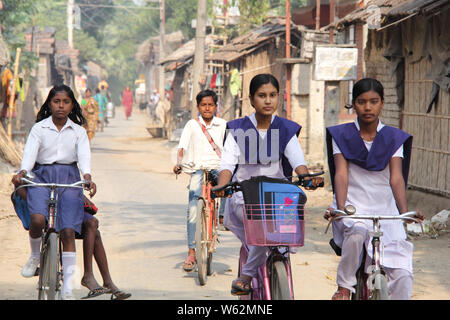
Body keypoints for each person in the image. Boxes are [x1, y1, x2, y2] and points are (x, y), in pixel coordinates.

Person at [213, 74, 323, 296]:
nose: (268, 101)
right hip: (245, 196)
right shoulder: (237, 128)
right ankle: (247, 275)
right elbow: (227, 165)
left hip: (278, 195)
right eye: (262, 96)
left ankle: (255, 276)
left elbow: (298, 162)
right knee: (263, 231)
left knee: (280, 223)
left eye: (272, 95)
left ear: (278, 98)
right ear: (251, 100)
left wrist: (307, 177)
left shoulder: (285, 129)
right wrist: (221, 186)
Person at [323, 78, 424, 300]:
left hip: (385, 209)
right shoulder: (341, 135)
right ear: (353, 103)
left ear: (382, 103)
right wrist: (340, 209)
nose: (367, 107)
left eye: (373, 101)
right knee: (357, 234)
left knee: (403, 273)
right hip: (353, 205)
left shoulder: (393, 137)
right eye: (361, 101)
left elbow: (396, 179)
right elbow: (341, 173)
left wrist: (404, 213)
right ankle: (344, 286)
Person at [11, 84, 97, 300]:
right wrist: (23, 171)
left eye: (66, 102)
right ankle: (33, 256)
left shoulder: (78, 131)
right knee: (38, 219)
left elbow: (84, 157)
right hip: (41, 176)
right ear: (50, 103)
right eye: (56, 101)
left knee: (68, 231)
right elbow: (30, 155)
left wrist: (87, 176)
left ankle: (67, 287)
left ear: (72, 105)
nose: (61, 106)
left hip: (69, 178)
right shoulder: (39, 128)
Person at [173, 89, 227, 272]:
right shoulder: (191, 125)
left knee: (227, 185)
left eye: (210, 104)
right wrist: (178, 163)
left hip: (217, 167)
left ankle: (222, 217)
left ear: (216, 106)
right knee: (193, 205)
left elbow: (231, 148)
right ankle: (191, 252)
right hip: (197, 168)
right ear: (198, 107)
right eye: (203, 105)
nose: (207, 108)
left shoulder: (223, 125)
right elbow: (182, 147)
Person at [80, 201, 132, 300]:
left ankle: (107, 281)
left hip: (73, 205)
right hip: (59, 207)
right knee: (93, 228)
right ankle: (89, 276)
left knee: (95, 231)